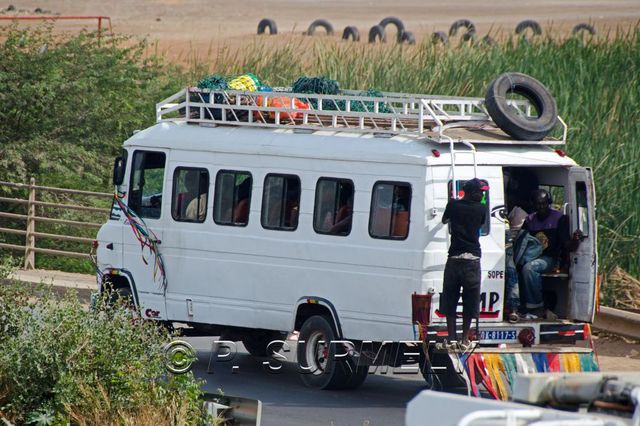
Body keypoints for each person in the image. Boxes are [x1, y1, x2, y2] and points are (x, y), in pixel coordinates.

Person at [439, 178, 488, 349]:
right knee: (471, 300)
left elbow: (444, 221)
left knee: (450, 298)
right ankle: (464, 338)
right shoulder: (481, 208)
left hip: (454, 259)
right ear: (472, 192)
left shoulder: (453, 205)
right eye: (480, 192)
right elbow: (481, 224)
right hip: (472, 260)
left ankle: (451, 337)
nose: (482, 195)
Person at [520, 189, 583, 318]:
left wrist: (576, 240)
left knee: (529, 268)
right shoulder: (529, 220)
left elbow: (567, 244)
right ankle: (516, 305)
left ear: (549, 203)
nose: (541, 207)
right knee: (514, 267)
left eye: (544, 203)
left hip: (549, 258)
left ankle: (537, 306)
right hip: (531, 255)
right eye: (538, 204)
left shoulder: (559, 219)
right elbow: (522, 243)